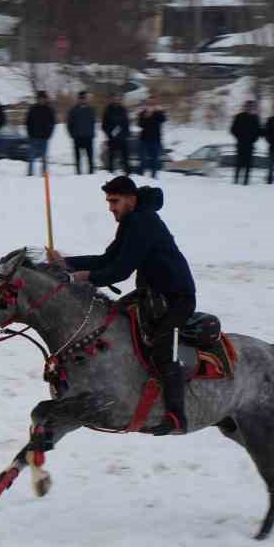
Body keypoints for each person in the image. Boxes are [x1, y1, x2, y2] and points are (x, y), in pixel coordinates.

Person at [50, 174, 196, 436]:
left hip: (177, 298)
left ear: (131, 198)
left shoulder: (144, 222)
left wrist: (85, 277)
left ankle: (176, 416)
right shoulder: (131, 221)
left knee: (163, 344)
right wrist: (66, 263)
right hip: (150, 296)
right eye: (108, 202)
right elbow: (107, 258)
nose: (111, 208)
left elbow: (120, 270)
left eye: (115, 201)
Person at [229, 100, 262, 185]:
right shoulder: (238, 117)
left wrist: (253, 140)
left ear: (252, 108)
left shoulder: (255, 118)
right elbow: (232, 129)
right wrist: (239, 138)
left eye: (250, 106)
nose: (249, 108)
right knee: (238, 163)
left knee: (248, 164)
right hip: (240, 144)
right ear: (244, 107)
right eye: (247, 106)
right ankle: (236, 180)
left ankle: (246, 182)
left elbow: (258, 131)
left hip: (250, 145)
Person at [25, 91, 55, 176]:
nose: (41, 100)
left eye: (43, 98)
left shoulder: (49, 110)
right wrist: (30, 134)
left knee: (44, 157)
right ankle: (30, 173)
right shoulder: (33, 109)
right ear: (38, 99)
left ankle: (44, 173)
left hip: (44, 138)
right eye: (40, 98)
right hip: (33, 137)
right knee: (31, 157)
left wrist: (49, 134)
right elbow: (28, 123)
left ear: (45, 99)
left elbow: (52, 123)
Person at [67, 91, 96, 174]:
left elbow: (93, 122)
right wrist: (72, 134)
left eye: (84, 98)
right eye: (81, 98)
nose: (83, 100)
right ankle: (78, 173)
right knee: (78, 158)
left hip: (88, 137)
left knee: (90, 158)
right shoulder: (73, 110)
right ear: (78, 99)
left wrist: (92, 133)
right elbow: (69, 124)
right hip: (77, 137)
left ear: (86, 99)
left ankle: (91, 173)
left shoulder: (90, 109)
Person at [101, 93, 131, 174]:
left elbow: (127, 123)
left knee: (125, 156)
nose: (116, 100)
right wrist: (109, 133)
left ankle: (127, 172)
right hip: (112, 137)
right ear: (111, 99)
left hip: (122, 137)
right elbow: (104, 125)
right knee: (111, 156)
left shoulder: (123, 109)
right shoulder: (107, 110)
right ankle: (110, 172)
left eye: (118, 99)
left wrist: (126, 134)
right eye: (114, 99)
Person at [136, 100, 166, 177]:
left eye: (152, 104)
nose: (150, 106)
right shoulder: (143, 113)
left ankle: (153, 175)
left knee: (155, 158)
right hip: (144, 139)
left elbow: (163, 120)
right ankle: (140, 174)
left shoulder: (158, 113)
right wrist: (145, 116)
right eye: (149, 104)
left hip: (155, 139)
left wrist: (160, 111)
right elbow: (140, 124)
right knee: (142, 158)